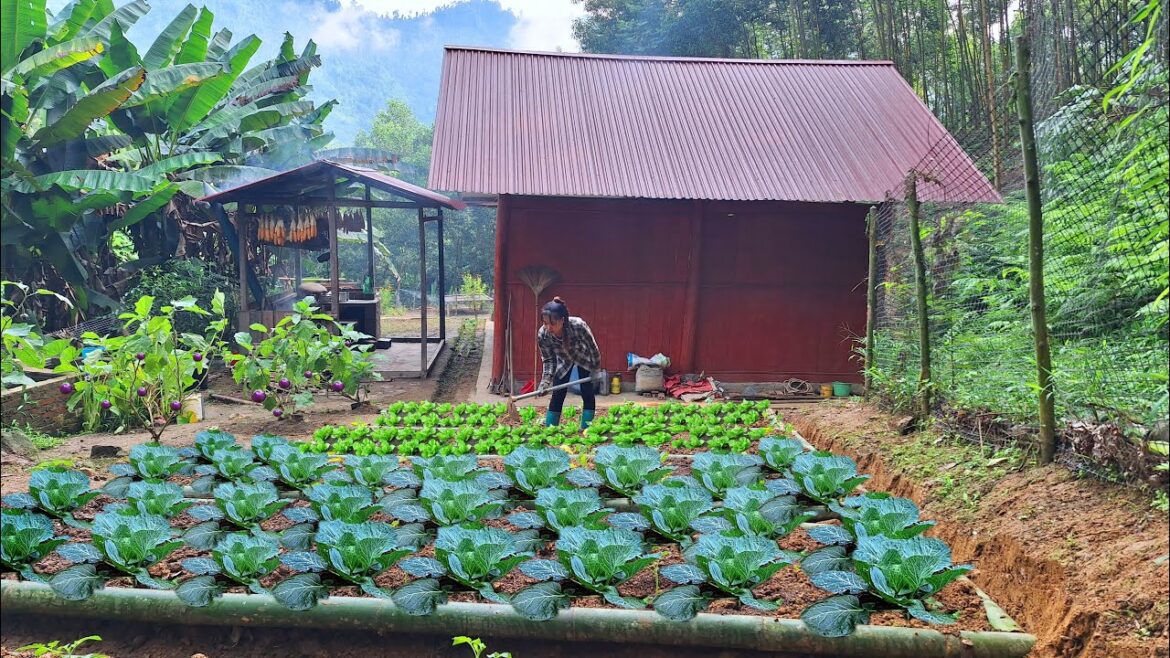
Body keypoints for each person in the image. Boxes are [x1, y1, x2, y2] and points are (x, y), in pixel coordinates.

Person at [536, 296, 601, 428]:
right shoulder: (543, 334)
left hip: (583, 357)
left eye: (552, 324)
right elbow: (549, 360)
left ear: (562, 321)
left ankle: (587, 428)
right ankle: (550, 428)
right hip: (563, 360)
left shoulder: (578, 326)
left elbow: (592, 348)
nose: (548, 327)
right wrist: (545, 382)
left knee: (587, 390)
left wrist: (595, 369)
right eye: (544, 323)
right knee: (558, 391)